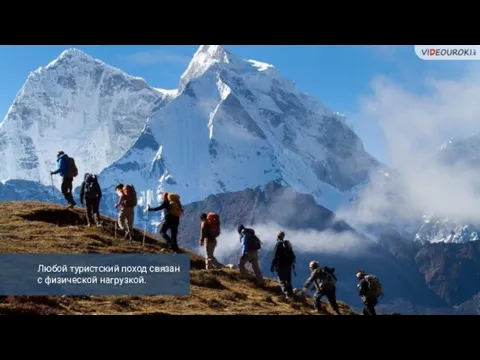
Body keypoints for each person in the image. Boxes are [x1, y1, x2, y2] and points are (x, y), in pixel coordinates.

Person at [270, 231, 296, 299]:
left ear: (277, 236)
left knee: (281, 280)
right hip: (289, 264)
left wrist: (272, 265)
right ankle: (291, 294)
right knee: (288, 280)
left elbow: (275, 256)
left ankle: (287, 295)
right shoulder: (287, 244)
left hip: (281, 265)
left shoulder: (278, 244)